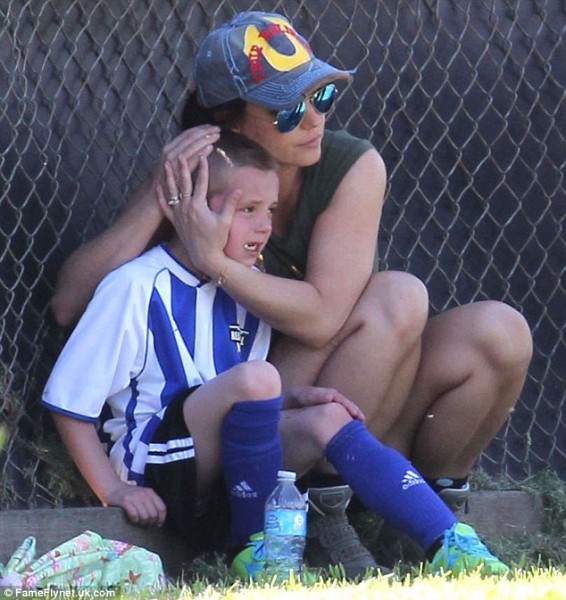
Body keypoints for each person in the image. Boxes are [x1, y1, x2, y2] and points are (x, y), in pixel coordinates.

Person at [50, 11, 533, 575]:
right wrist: (165, 195)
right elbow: (68, 305)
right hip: (212, 435)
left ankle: (434, 523)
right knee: (381, 309)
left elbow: (324, 317)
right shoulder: (195, 190)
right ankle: (312, 516)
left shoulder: (349, 164)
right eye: (286, 109)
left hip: (315, 394)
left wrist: (217, 264)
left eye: (320, 95)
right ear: (225, 120)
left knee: (494, 330)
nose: (313, 119)